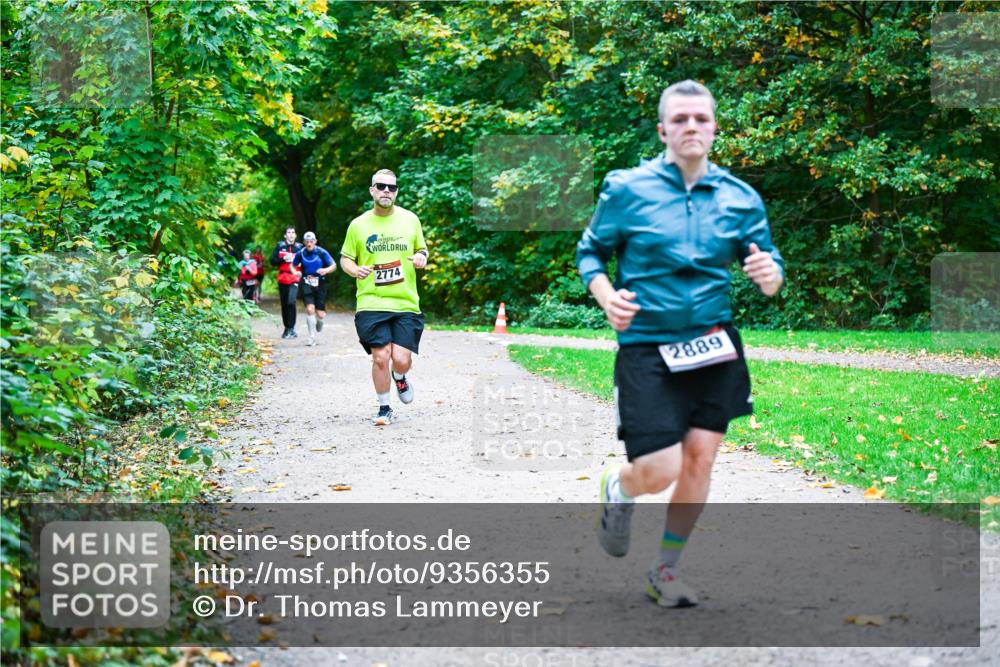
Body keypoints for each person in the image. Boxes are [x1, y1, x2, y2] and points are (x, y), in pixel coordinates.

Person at [576, 80, 784, 608]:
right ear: (664, 129)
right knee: (661, 468)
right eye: (681, 119)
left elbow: (771, 267)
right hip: (647, 344)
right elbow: (590, 253)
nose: (692, 127)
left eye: (702, 119)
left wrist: (768, 274)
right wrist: (605, 296)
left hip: (713, 345)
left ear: (714, 128)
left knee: (699, 462)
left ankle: (665, 570)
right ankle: (620, 488)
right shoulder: (627, 189)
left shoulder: (740, 197)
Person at [340, 169, 428, 426]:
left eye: (391, 187)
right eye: (381, 186)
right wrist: (356, 270)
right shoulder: (358, 225)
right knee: (380, 356)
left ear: (396, 191)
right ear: (372, 190)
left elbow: (421, 249)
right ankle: (384, 407)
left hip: (405, 302)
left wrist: (422, 257)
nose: (386, 191)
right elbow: (346, 258)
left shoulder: (410, 220)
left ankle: (400, 377)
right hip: (371, 300)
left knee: (400, 360)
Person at [292, 231, 337, 347]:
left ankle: (319, 321)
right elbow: (292, 265)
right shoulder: (301, 253)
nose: (309, 243)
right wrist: (296, 272)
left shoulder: (321, 252)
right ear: (304, 242)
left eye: (311, 241)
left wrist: (326, 270)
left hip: (320, 284)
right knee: (310, 309)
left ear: (315, 242)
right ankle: (311, 338)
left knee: (320, 314)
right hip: (307, 283)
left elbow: (334, 265)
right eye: (307, 241)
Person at [270, 227, 303, 339]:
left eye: (293, 232)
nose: (291, 234)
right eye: (289, 232)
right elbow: (272, 261)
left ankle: (292, 328)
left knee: (291, 301)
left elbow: (305, 261)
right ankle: (287, 328)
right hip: (283, 277)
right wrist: (284, 258)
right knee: (284, 304)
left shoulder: (300, 247)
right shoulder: (280, 246)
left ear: (295, 235)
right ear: (285, 235)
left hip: (295, 277)